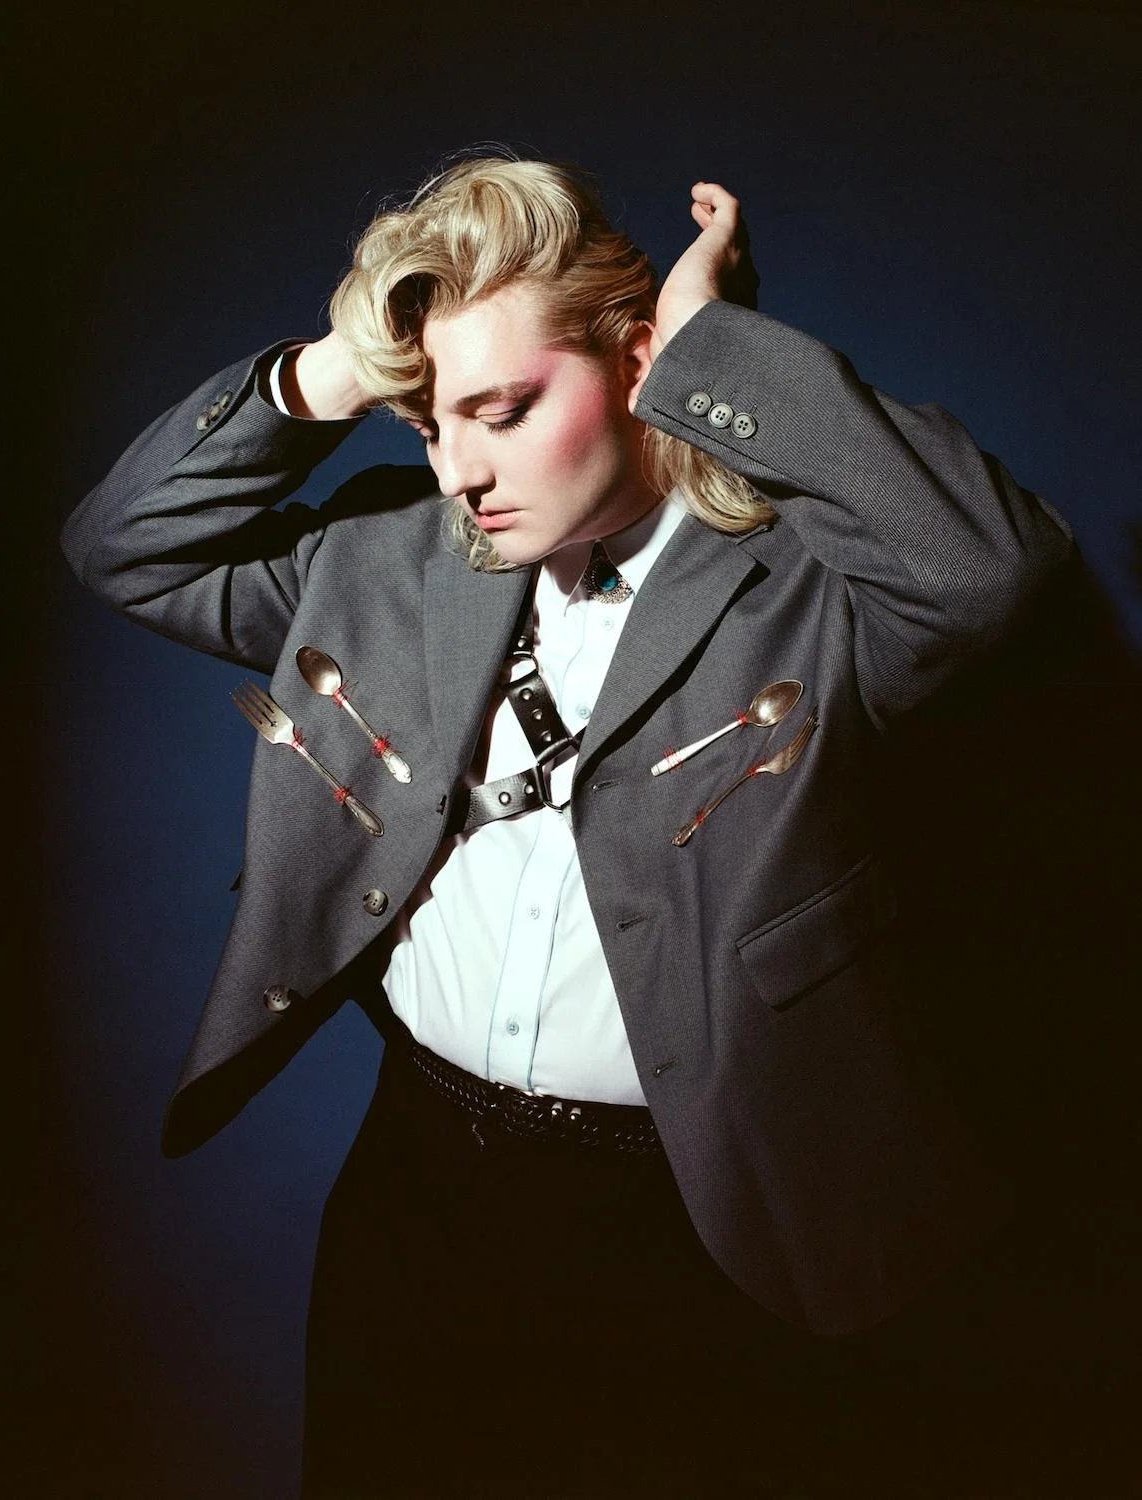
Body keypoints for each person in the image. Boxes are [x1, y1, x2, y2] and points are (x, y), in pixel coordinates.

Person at [63, 156, 1078, 1496]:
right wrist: (343, 372)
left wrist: (716, 353)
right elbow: (125, 545)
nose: (462, 471)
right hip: (418, 1187)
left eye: (503, 410)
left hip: (708, 1215)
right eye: (430, 426)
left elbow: (992, 577)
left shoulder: (813, 590)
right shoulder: (383, 559)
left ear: (633, 357)